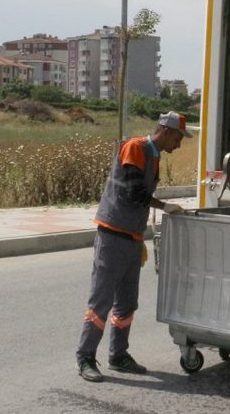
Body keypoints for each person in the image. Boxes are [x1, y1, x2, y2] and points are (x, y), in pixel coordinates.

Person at [76, 111, 192, 382]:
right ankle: (85, 358)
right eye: (178, 137)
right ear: (165, 131)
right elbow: (133, 191)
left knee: (127, 303)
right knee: (101, 302)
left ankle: (118, 355)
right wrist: (166, 206)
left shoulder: (154, 155)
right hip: (113, 235)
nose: (179, 144)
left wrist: (140, 238)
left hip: (131, 237)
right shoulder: (135, 148)